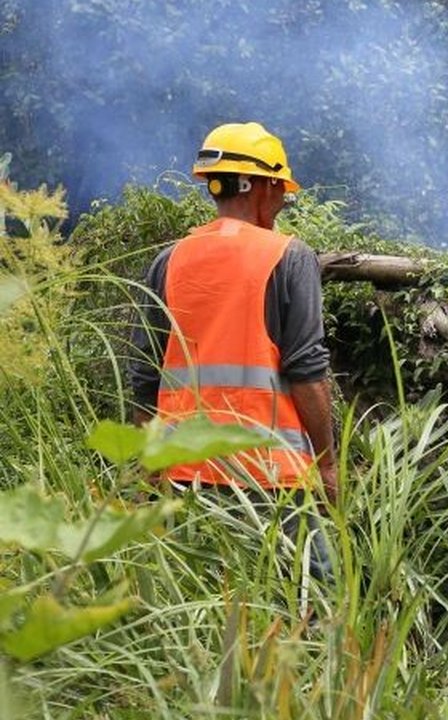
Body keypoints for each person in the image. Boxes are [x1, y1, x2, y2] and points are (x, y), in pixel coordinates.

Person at [128, 121, 337, 578]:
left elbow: (143, 378)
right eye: (282, 190)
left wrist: (147, 470)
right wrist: (328, 466)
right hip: (272, 478)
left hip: (185, 475)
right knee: (317, 601)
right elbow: (307, 370)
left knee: (204, 608)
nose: (283, 202)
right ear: (260, 186)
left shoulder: (170, 258)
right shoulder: (289, 256)